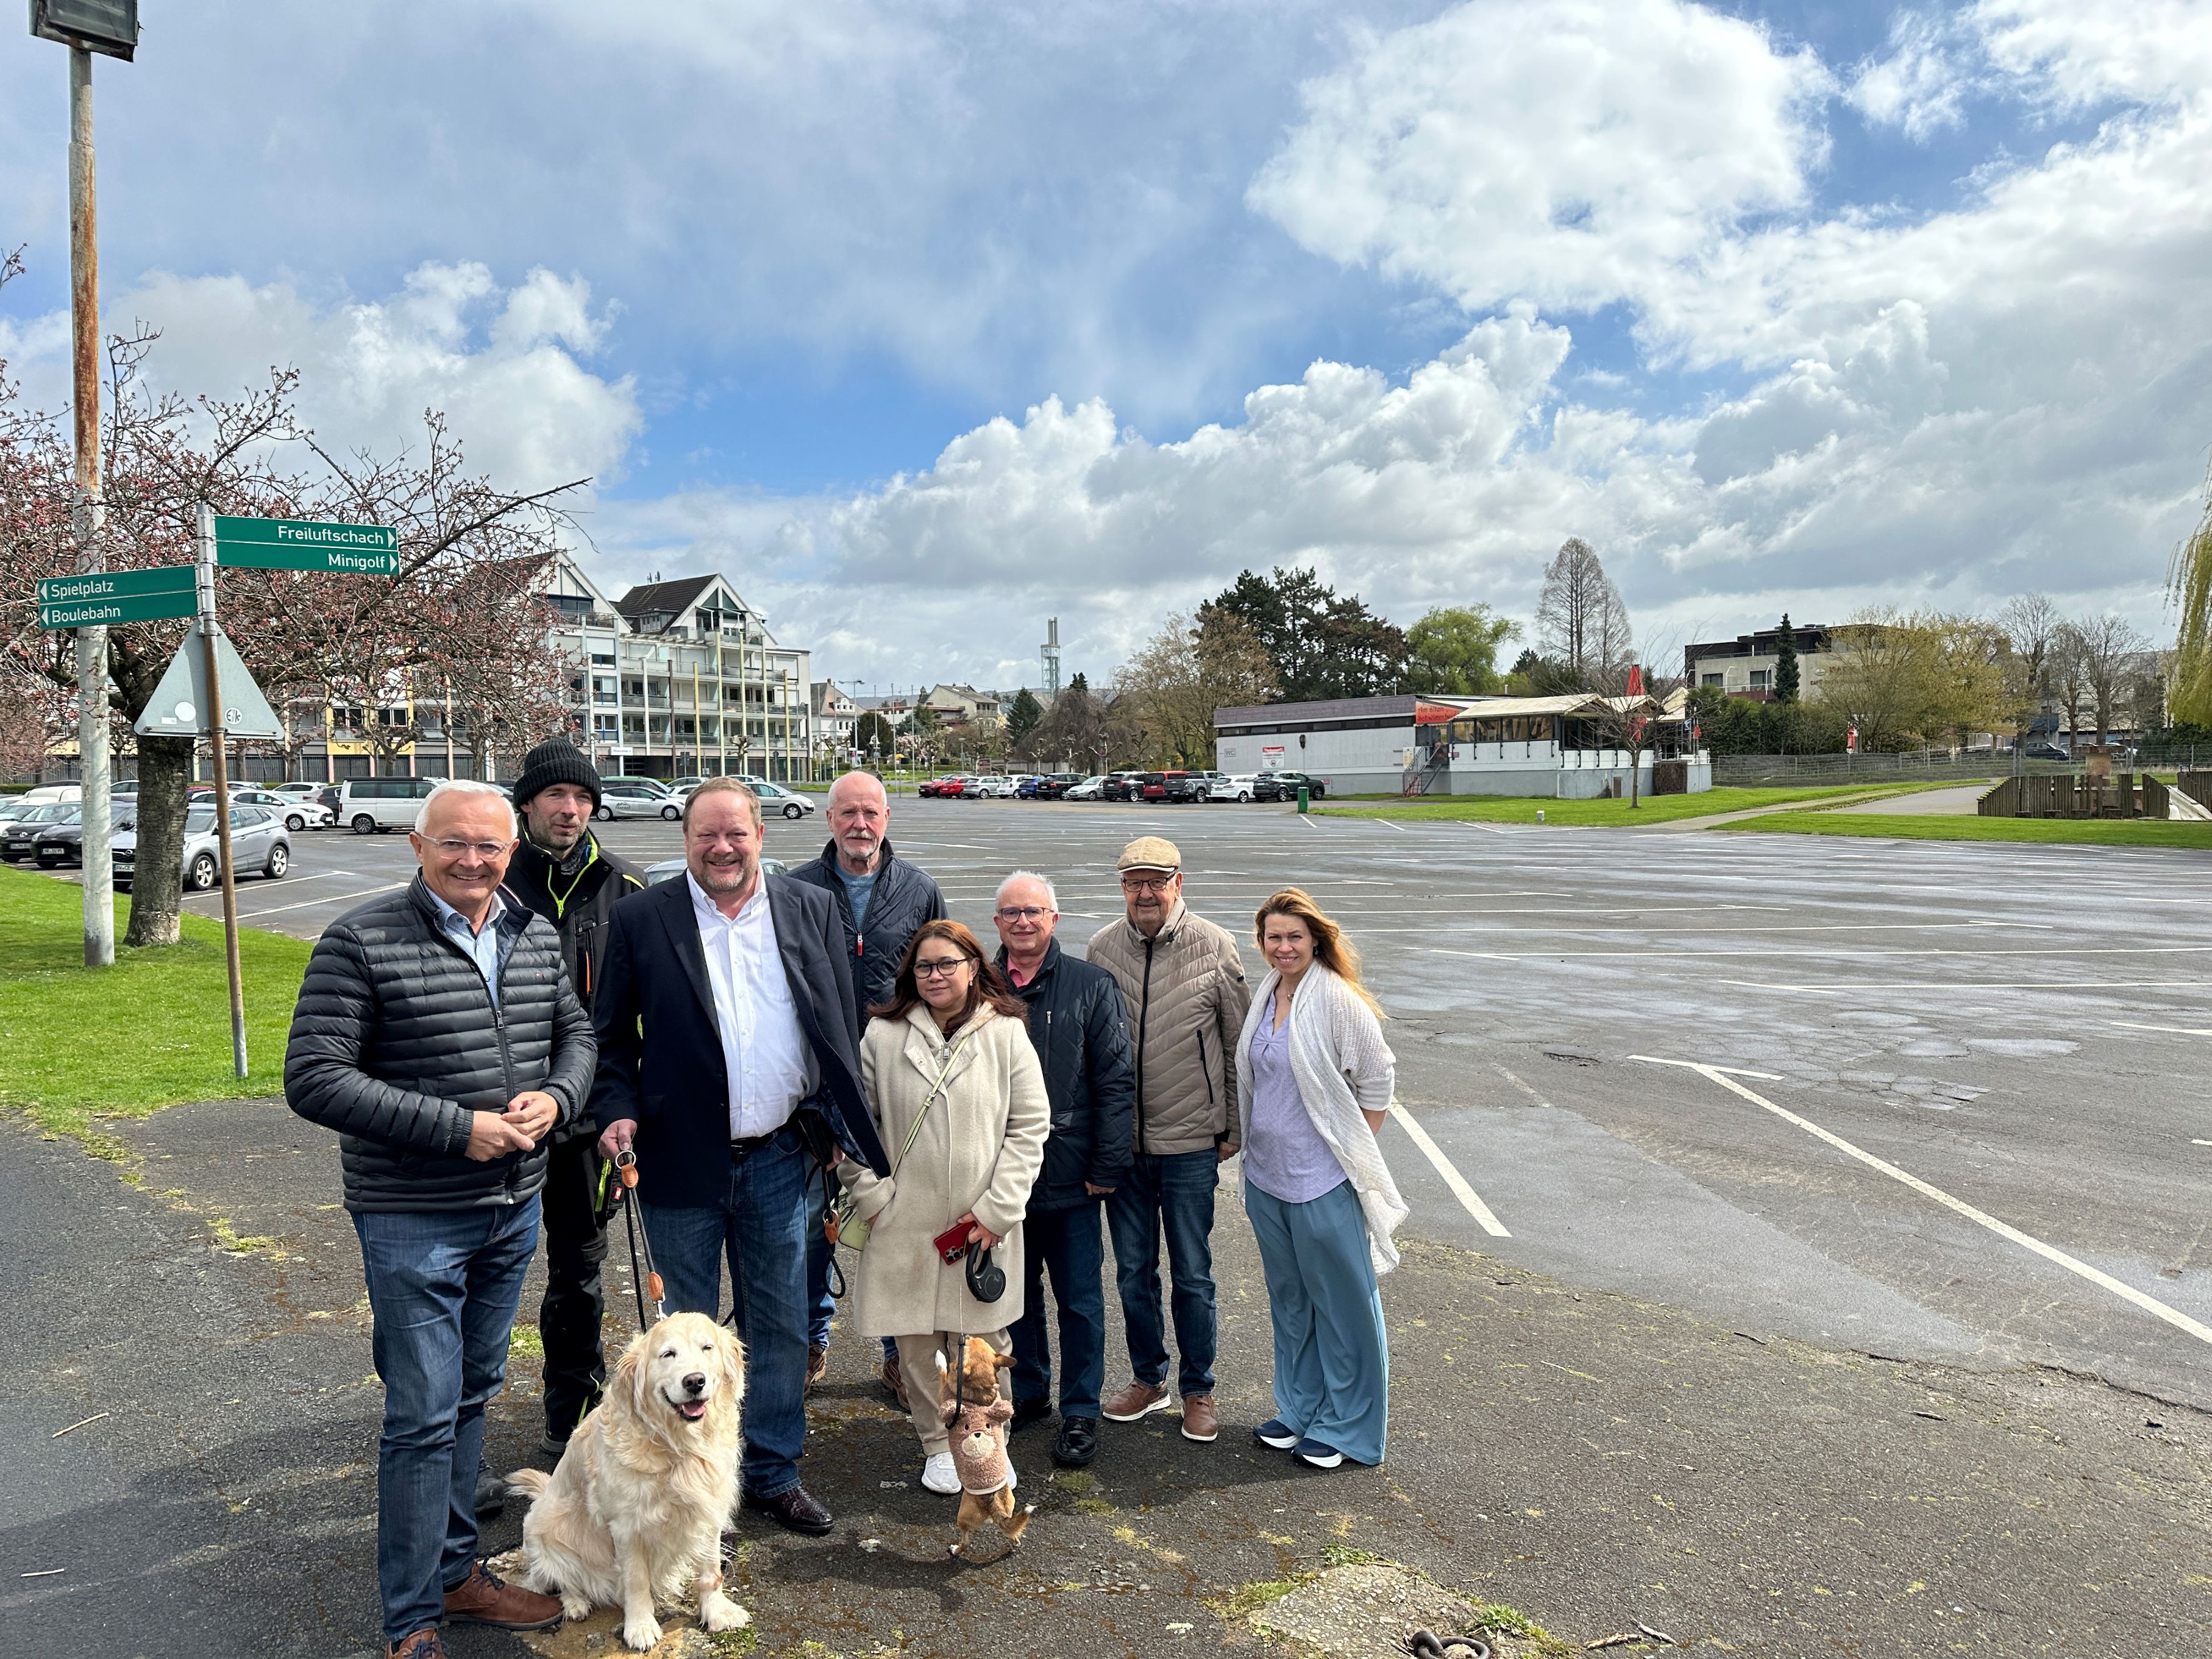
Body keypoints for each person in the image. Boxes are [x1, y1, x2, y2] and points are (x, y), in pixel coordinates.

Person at [285, 778, 596, 1659]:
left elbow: (577, 1037)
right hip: (413, 1215)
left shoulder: (531, 931)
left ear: (513, 852)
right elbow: (314, 1076)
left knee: (469, 1401)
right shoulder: (361, 939)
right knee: (421, 1415)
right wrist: (457, 1129)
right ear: (416, 845)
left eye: (490, 847)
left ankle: (459, 1574)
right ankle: (412, 1617)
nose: (473, 860)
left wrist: (557, 1097)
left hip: (512, 1210)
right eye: (454, 843)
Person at [590, 778, 889, 1538]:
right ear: (685, 840)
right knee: (683, 1341)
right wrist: (615, 1109)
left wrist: (831, 1122)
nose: (721, 849)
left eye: (736, 834)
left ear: (761, 834)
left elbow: (836, 1019)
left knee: (782, 1323)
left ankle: (772, 1471)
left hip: (781, 1158)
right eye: (705, 836)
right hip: (676, 1160)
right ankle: (695, 1486)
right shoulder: (639, 918)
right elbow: (611, 1038)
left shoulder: (810, 907)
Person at [470, 739, 644, 1516]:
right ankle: (456, 1449)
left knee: (578, 1276)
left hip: (586, 1124)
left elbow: (640, 1015)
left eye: (581, 797)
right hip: (495, 1120)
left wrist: (620, 1108)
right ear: (527, 805)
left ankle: (570, 1422)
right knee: (478, 1283)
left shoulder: (629, 890)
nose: (568, 810)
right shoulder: (493, 883)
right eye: (553, 797)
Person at [836, 920, 1050, 1494]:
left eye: (947, 964)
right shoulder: (882, 1035)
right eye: (924, 967)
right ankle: (936, 1443)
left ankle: (984, 1439)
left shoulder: (1005, 1032)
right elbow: (855, 1129)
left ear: (974, 967)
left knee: (983, 1343)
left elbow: (1029, 1126)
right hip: (902, 1219)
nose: (935, 976)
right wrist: (873, 1196)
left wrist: (997, 1208)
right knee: (916, 1345)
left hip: (979, 1223)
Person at [784, 769, 945, 1400]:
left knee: (896, 1226)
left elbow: (943, 980)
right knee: (811, 1227)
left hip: (896, 1087)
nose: (860, 824)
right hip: (816, 1089)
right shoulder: (794, 888)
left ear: (886, 818)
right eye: (848, 813)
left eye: (871, 813)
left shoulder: (918, 890)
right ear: (829, 820)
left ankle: (898, 1354)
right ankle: (809, 1341)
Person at [1084, 836, 1250, 1445]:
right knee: (1132, 1271)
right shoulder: (1102, 948)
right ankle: (1147, 1377)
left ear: (1179, 882)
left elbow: (1236, 1044)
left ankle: (1198, 1387)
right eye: (1134, 881)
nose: (1145, 892)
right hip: (1123, 1148)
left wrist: (1231, 1126)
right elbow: (1090, 1049)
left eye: (1157, 880)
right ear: (1121, 887)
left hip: (1188, 1143)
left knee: (1193, 1273)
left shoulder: (1215, 944)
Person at [1234, 888, 1406, 1470]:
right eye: (1273, 937)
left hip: (1321, 1183)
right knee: (1291, 1302)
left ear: (1315, 941)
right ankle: (1301, 1409)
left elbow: (1378, 1079)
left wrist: (1347, 1154)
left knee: (1345, 1306)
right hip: (1267, 1180)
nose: (1283, 947)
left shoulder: (1335, 999)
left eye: (1294, 937)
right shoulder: (1267, 994)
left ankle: (1350, 1428)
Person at [991, 872, 1134, 1468]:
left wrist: (1107, 1162)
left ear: (1054, 918)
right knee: (1013, 1301)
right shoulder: (980, 985)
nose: (1023, 921)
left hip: (1073, 1178)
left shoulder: (1090, 985)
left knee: (1078, 1301)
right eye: (1011, 912)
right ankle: (1027, 1392)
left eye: (1034, 911)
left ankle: (1079, 1410)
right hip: (1002, 1180)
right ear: (997, 923)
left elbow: (1114, 1077)